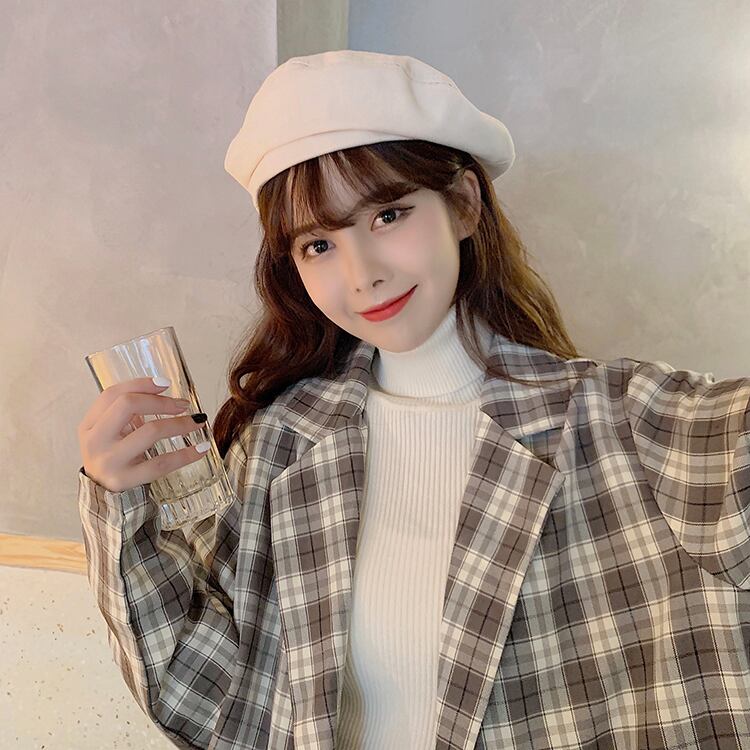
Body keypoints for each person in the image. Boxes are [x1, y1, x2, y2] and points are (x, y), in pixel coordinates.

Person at [76, 50, 750, 750]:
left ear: (464, 203)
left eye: (388, 215)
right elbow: (208, 702)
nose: (362, 275)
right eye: (318, 245)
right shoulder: (283, 442)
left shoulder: (627, 425)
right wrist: (115, 501)